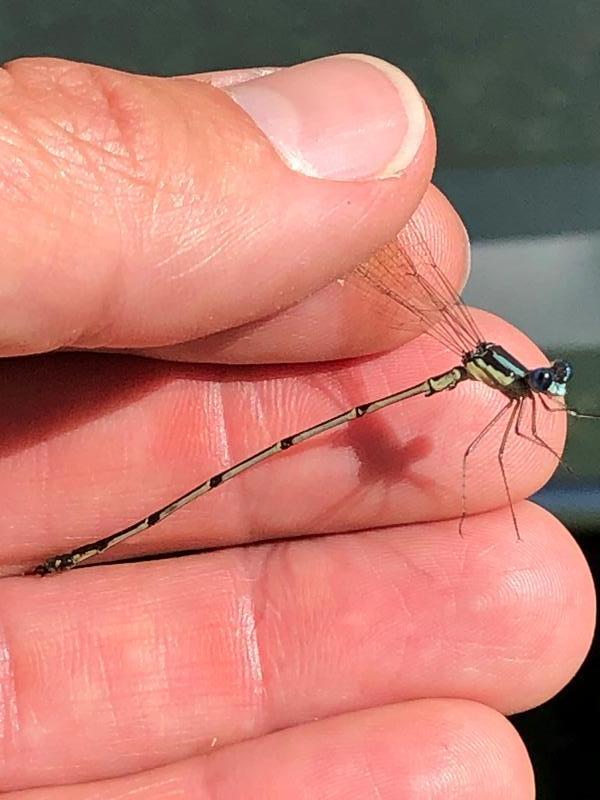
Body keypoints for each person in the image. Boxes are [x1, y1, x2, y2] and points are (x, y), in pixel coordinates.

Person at [0, 53, 594, 797]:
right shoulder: (507, 387)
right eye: (548, 384)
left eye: (549, 386)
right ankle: (93, 547)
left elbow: (509, 430)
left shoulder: (521, 392)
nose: (547, 388)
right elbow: (488, 448)